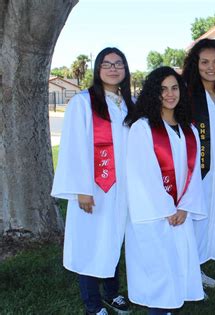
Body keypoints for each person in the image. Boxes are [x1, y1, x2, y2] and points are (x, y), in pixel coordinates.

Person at [51, 47, 133, 315]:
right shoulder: (83, 102)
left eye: (118, 64)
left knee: (113, 240)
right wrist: (81, 190)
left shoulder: (127, 103)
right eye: (107, 64)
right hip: (94, 189)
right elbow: (73, 148)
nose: (113, 69)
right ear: (98, 69)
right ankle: (93, 304)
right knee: (90, 243)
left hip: (122, 190)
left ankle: (112, 293)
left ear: (125, 69)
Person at [124, 66, 206, 315]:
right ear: (153, 93)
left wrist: (184, 207)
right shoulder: (143, 128)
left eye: (174, 88)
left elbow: (194, 176)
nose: (170, 94)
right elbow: (142, 174)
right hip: (154, 215)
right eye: (163, 90)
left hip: (181, 212)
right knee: (160, 276)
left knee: (178, 270)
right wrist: (168, 208)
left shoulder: (189, 130)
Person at [181, 38, 215, 289]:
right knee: (192, 219)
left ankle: (196, 268)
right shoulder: (186, 94)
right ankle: (186, 273)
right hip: (194, 171)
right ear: (195, 64)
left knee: (210, 217)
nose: (211, 67)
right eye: (204, 62)